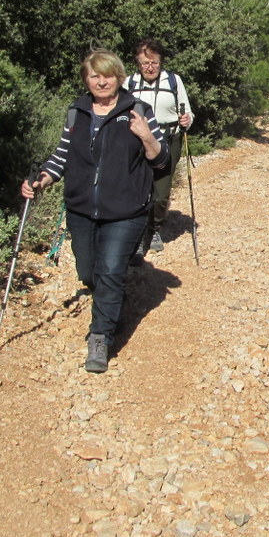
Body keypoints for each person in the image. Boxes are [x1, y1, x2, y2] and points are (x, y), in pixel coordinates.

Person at [22, 50, 169, 372]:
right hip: (81, 208)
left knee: (111, 271)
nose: (102, 81)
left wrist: (146, 136)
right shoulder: (77, 112)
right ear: (86, 79)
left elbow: (161, 161)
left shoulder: (137, 111)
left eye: (108, 75)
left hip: (126, 209)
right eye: (94, 76)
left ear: (119, 78)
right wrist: (42, 179)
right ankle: (110, 298)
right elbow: (62, 156)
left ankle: (100, 336)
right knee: (89, 273)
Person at [123, 38, 193, 259]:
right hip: (136, 142)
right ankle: (138, 235)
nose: (150, 67)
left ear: (160, 62)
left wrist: (186, 120)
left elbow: (188, 113)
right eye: (144, 63)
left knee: (161, 195)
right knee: (136, 191)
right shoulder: (129, 83)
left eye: (154, 62)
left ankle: (154, 229)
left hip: (168, 140)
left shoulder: (173, 81)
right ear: (137, 63)